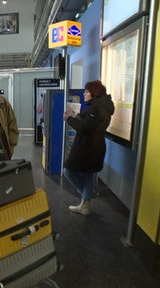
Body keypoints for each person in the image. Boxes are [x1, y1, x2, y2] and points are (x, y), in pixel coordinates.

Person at [62, 80, 115, 216]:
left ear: (94, 92)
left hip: (86, 148)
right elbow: (89, 124)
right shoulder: (102, 106)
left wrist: (69, 119)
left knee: (68, 171)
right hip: (95, 147)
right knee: (88, 175)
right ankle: (85, 204)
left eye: (86, 91)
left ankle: (86, 196)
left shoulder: (96, 108)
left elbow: (85, 128)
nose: (84, 94)